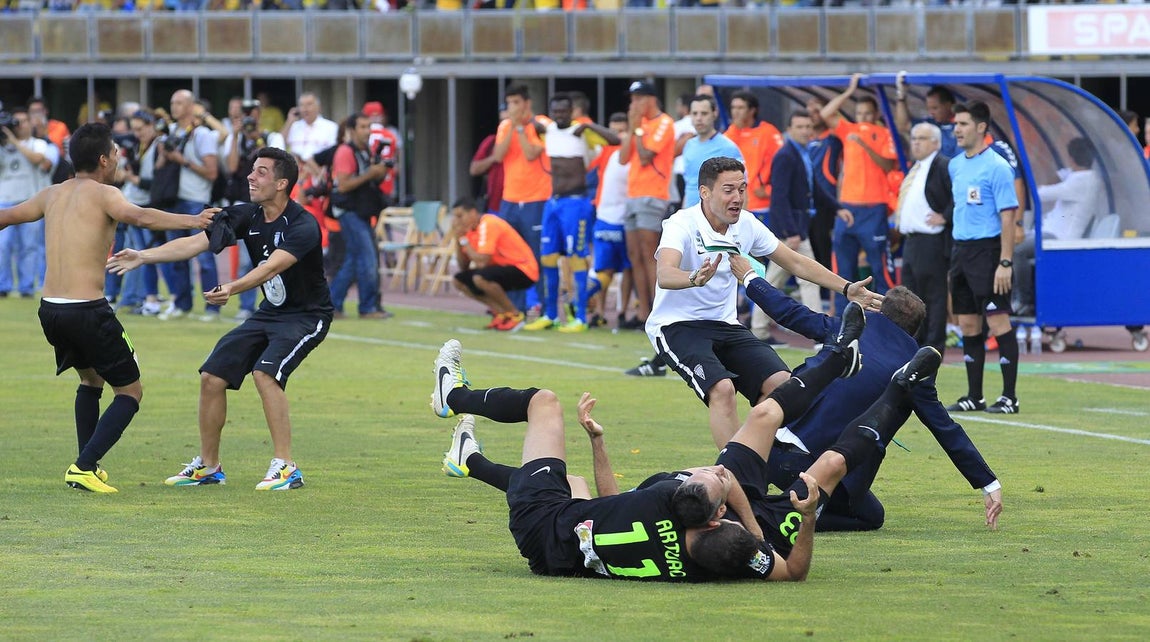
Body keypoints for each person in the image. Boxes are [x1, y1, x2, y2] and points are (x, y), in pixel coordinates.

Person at [0, 123, 215, 493]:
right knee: (130, 392)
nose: (118, 158)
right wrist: (195, 220)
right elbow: (143, 217)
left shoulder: (51, 194)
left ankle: (89, 464)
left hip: (50, 309)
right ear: (103, 159)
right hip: (87, 310)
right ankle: (83, 467)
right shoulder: (105, 194)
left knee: (90, 379)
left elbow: (4, 217)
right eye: (115, 153)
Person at [107, 148, 333, 491]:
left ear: (282, 183)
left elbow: (271, 267)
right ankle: (209, 467)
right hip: (269, 314)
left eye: (261, 172)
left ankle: (286, 466)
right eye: (252, 170)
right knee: (212, 376)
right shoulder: (248, 215)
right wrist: (142, 256)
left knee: (265, 373)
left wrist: (232, 288)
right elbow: (194, 244)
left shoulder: (302, 225)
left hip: (306, 317)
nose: (250, 177)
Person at [731, 263, 1004, 532]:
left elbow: (788, 312)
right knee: (871, 516)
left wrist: (750, 277)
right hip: (817, 468)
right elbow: (945, 429)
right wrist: (988, 483)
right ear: (915, 329)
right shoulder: (913, 364)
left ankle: (763, 501)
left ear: (879, 309)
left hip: (768, 449)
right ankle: (779, 511)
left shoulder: (842, 326)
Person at [643, 156, 883, 449]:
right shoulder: (682, 223)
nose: (738, 198)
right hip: (676, 326)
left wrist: (846, 288)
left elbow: (795, 262)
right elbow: (665, 273)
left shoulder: (746, 224)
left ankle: (758, 463)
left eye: (742, 189)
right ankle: (737, 481)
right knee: (722, 389)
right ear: (705, 192)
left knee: (783, 387)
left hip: (725, 324)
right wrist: (694, 277)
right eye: (729, 190)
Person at [946, 101, 1021, 415]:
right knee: (967, 323)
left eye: (963, 124)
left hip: (989, 251)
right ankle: (974, 395)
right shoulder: (955, 165)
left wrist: (1005, 261)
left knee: (998, 319)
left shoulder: (997, 167)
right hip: (960, 250)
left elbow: (1008, 217)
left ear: (980, 127)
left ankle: (1009, 397)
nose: (957, 130)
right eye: (956, 124)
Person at [523, 93, 620, 333]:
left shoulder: (582, 132)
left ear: (572, 111)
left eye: (564, 111)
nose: (559, 115)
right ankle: (551, 314)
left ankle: (581, 318)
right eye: (555, 111)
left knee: (577, 257)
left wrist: (587, 125)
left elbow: (615, 139)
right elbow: (532, 124)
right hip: (553, 203)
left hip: (576, 203)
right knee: (547, 257)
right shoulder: (548, 130)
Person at [820, 74, 898, 313]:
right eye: (860, 112)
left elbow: (888, 165)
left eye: (867, 113)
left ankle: (887, 317)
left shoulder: (884, 134)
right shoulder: (848, 129)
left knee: (879, 267)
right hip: (848, 207)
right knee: (843, 269)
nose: (863, 117)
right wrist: (849, 90)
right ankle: (843, 321)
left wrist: (865, 145)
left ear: (875, 115)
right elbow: (826, 114)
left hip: (874, 208)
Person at [1012, 137, 1102, 317]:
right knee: (1010, 244)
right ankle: (1018, 298)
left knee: (1017, 249)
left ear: (1071, 157)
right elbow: (1063, 175)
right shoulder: (1083, 176)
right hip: (1051, 233)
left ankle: (1023, 300)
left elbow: (1040, 194)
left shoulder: (1081, 180)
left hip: (1058, 238)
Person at [154, 89, 222, 321]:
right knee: (177, 255)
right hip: (174, 199)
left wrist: (183, 161)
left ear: (192, 106)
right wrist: (164, 152)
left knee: (204, 256)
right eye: (172, 102)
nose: (174, 107)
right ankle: (182, 304)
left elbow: (212, 172)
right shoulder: (171, 132)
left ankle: (213, 307)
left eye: (180, 103)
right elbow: (159, 167)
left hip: (196, 200)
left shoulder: (202, 134)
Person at [761, 109, 831, 316]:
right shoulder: (785, 155)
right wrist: (790, 231)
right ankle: (820, 330)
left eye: (808, 127)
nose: (805, 131)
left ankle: (758, 329)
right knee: (809, 277)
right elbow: (779, 198)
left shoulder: (802, 152)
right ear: (789, 130)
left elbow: (815, 188)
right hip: (791, 230)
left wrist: (839, 207)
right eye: (799, 127)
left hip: (796, 228)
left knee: (773, 281)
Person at [619, 80, 676, 330]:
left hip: (652, 194)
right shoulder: (638, 125)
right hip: (633, 194)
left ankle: (657, 309)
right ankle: (644, 311)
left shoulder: (664, 123)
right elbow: (622, 158)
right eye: (632, 99)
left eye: (638, 99)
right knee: (635, 256)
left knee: (650, 254)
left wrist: (637, 130)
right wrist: (632, 129)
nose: (634, 104)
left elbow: (644, 156)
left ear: (650, 99)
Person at [491, 84, 551, 314]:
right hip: (510, 200)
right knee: (509, 256)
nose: (512, 108)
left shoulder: (541, 124)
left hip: (536, 200)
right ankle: (514, 309)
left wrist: (520, 129)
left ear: (527, 104)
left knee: (537, 256)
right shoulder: (505, 125)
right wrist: (512, 126)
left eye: (517, 103)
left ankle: (546, 310)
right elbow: (498, 156)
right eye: (509, 103)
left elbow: (531, 153)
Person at [895, 122, 953, 354]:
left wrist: (945, 216)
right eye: (914, 137)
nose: (916, 142)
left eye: (922, 138)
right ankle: (913, 344)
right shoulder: (916, 167)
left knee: (933, 296)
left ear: (935, 143)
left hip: (931, 242)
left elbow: (958, 196)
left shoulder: (942, 165)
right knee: (911, 296)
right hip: (912, 241)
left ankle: (933, 347)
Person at [328, 112, 391, 320]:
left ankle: (332, 304)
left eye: (368, 127)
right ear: (352, 130)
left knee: (354, 261)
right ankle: (367, 307)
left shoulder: (366, 151)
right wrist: (370, 174)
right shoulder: (346, 152)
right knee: (367, 259)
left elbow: (371, 179)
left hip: (361, 211)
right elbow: (344, 184)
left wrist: (380, 171)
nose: (367, 131)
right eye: (362, 127)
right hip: (349, 211)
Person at [450, 197, 540, 332]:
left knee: (480, 278)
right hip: (501, 269)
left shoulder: (488, 223)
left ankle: (515, 315)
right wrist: (458, 239)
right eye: (455, 217)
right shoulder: (468, 231)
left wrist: (464, 242)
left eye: (460, 216)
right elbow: (464, 267)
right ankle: (501, 313)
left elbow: (482, 262)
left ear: (473, 213)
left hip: (523, 269)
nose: (457, 221)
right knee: (459, 280)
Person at [0, 106, 55, 298]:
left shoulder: (37, 143)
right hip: (4, 200)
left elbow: (37, 159)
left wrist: (14, 141)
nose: (18, 126)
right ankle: (3, 286)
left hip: (29, 201)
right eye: (15, 122)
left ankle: (26, 287)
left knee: (29, 246)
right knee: (3, 245)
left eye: (22, 121)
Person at [724, 90, 783, 222]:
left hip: (761, 204)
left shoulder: (768, 133)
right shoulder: (730, 133)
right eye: (733, 107)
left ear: (752, 110)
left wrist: (769, 190)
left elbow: (782, 165)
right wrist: (735, 129)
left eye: (740, 108)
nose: (736, 112)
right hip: (735, 203)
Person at [679, 94, 742, 210]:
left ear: (715, 113)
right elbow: (690, 184)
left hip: (716, 216)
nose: (699, 118)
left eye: (704, 113)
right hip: (690, 214)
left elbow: (741, 187)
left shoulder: (728, 147)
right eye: (694, 113)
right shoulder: (688, 145)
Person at [893, 73, 958, 157]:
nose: (931, 112)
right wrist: (901, 96)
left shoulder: (961, 125)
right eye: (929, 108)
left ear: (948, 105)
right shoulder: (929, 124)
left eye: (935, 108)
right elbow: (903, 126)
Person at [469, 103, 509, 215]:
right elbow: (474, 169)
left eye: (508, 122)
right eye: (502, 122)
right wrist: (494, 158)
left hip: (520, 204)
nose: (505, 126)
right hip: (495, 206)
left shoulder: (525, 141)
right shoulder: (491, 142)